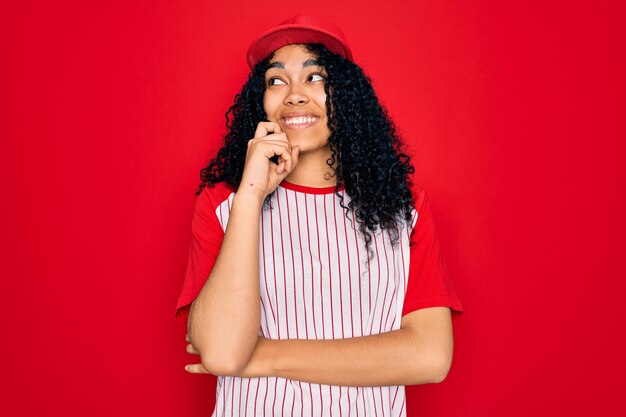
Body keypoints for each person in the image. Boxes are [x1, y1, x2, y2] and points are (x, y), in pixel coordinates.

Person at [175, 13, 464, 417]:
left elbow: (430, 356)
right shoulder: (224, 203)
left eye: (314, 77)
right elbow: (223, 353)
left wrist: (262, 357)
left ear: (345, 94)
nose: (293, 95)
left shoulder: (402, 205)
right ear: (260, 102)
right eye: (276, 81)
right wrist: (252, 194)